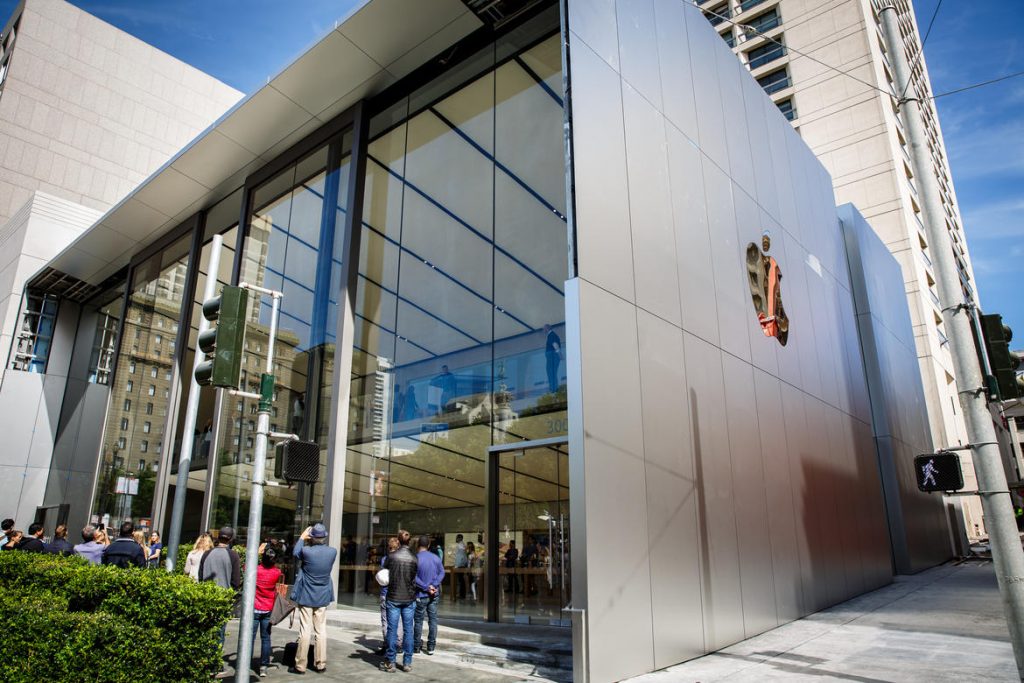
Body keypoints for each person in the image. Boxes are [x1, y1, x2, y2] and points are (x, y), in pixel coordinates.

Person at [290, 523, 337, 674]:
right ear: (324, 537)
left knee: (305, 630)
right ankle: (320, 663)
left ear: (312, 537)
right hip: (322, 595)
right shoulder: (332, 552)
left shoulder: (306, 551)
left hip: (306, 595)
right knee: (321, 630)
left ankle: (300, 665)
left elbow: (295, 552)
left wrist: (302, 537)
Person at [199, 526, 241, 663]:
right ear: (230, 539)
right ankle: (214, 662)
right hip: (223, 597)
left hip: (206, 595)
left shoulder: (207, 554)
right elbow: (236, 580)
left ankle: (204, 659)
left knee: (205, 629)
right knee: (219, 632)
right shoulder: (233, 555)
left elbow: (200, 576)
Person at [380, 530, 417, 673]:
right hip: (409, 598)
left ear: (399, 541)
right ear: (409, 541)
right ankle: (407, 662)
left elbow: (385, 573)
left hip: (393, 597)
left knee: (392, 630)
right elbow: (414, 576)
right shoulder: (414, 558)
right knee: (408, 630)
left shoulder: (391, 557)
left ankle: (391, 662)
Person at [252, 544, 282, 678]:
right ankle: (263, 666)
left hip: (254, 607)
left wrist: (257, 553)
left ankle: (245, 661)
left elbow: (246, 567)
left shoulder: (256, 570)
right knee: (266, 638)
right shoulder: (276, 572)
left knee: (250, 637)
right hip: (268, 608)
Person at [413, 534, 445, 656]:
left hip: (421, 594)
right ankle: (431, 646)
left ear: (418, 545)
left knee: (418, 621)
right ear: (429, 545)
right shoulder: (436, 558)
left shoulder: (415, 558)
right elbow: (442, 572)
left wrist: (426, 587)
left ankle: (416, 647)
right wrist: (434, 585)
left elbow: (413, 577)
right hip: (434, 593)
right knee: (433, 620)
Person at [375, 537, 402, 656]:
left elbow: (382, 576)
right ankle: (399, 644)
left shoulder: (385, 559)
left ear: (388, 547)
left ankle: (388, 644)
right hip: (399, 594)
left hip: (386, 593)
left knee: (385, 620)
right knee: (399, 620)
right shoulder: (402, 559)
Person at [544, 324, 561, 394]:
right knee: (552, 372)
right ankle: (554, 388)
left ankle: (553, 389)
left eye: (544, 329)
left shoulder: (551, 335)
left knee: (551, 372)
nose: (543, 330)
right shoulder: (552, 335)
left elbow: (555, 344)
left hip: (552, 355)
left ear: (547, 328)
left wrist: (560, 354)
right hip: (552, 355)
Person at [453, 534, 468, 601]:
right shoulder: (463, 545)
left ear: (459, 538)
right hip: (462, 564)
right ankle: (462, 594)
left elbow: (460, 557)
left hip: (460, 565)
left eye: (457, 538)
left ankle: (462, 594)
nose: (456, 539)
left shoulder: (460, 545)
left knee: (461, 580)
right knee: (461, 580)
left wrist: (457, 565)